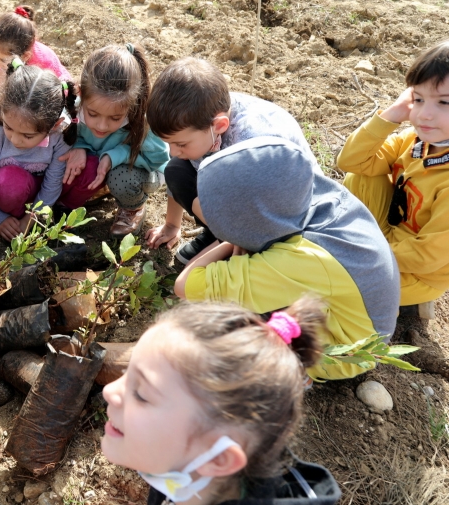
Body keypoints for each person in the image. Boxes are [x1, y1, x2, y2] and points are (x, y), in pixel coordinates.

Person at [174, 137, 399, 380]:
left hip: (347, 353)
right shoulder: (307, 191)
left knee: (227, 323)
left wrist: (227, 240)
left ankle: (296, 373)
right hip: (360, 317)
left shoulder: (297, 260)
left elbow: (185, 285)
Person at [102, 298, 341, 505]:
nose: (109, 391)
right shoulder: (184, 470)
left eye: (142, 394)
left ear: (217, 458)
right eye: (126, 374)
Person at [143, 58, 316, 264]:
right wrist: (172, 226)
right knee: (177, 169)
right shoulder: (201, 117)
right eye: (168, 143)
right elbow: (180, 166)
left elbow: (266, 210)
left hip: (287, 217)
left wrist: (239, 242)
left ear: (220, 125)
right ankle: (218, 233)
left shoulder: (252, 144)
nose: (172, 150)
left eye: (180, 144)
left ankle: (238, 246)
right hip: (240, 197)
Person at [338, 41, 449, 315]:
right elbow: (351, 161)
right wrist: (391, 115)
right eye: (419, 99)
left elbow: (427, 257)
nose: (424, 114)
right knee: (361, 177)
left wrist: (361, 253)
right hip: (390, 238)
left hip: (419, 272)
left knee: (333, 284)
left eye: (444, 102)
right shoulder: (415, 140)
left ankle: (398, 301)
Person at [59, 44, 169, 237]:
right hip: (102, 163)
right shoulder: (74, 108)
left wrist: (116, 156)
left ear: (131, 106)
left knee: (121, 178)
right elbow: (77, 138)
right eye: (93, 114)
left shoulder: (143, 124)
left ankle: (133, 208)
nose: (101, 126)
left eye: (115, 118)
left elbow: (159, 161)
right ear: (82, 95)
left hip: (141, 173)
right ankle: (101, 189)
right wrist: (79, 147)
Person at [0, 61, 82, 241]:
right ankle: (14, 220)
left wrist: (33, 217)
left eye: (28, 136)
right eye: (9, 127)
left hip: (44, 192)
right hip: (14, 188)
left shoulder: (59, 137)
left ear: (54, 125)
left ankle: (55, 212)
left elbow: (52, 183)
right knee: (8, 184)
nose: (15, 139)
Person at [0, 6, 71, 92]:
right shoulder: (9, 57)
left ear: (25, 56)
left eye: (2, 60)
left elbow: (57, 89)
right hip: (20, 77)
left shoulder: (42, 64)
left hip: (44, 91)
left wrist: (1, 94)